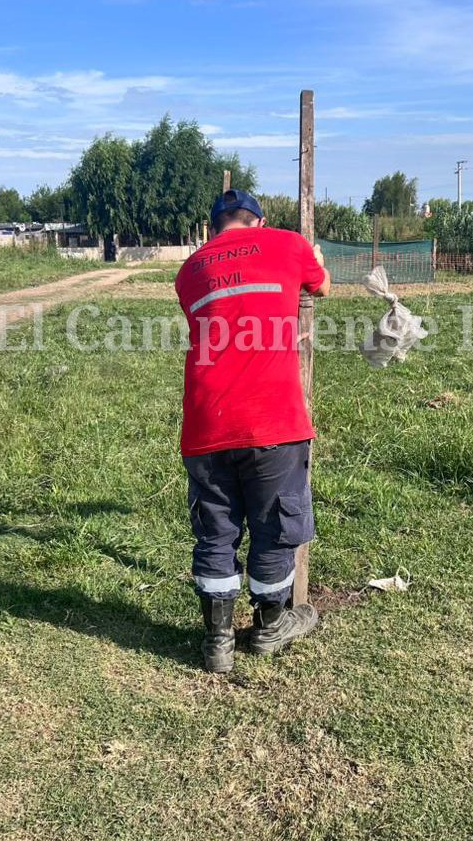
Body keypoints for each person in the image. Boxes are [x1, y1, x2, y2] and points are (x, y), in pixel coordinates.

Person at [175, 189, 331, 672]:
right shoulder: (289, 244)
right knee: (275, 529)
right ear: (258, 222)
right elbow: (322, 287)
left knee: (216, 532)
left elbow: (219, 321)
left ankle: (217, 642)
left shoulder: (189, 270)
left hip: (206, 423)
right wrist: (315, 260)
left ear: (213, 227)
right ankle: (270, 627)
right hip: (273, 421)